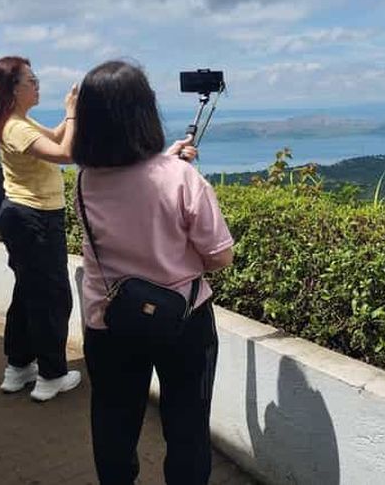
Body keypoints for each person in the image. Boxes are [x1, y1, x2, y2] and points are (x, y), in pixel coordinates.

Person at [72, 60, 234, 485]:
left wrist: (165, 161)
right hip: (182, 321)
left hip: (109, 322)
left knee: (113, 423)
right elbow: (220, 255)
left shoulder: (85, 180)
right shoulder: (181, 180)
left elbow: (131, 185)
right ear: (144, 113)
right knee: (187, 429)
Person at [0, 56, 82, 401]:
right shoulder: (16, 127)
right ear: (13, 88)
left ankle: (18, 366)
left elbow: (55, 137)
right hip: (36, 218)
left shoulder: (16, 121)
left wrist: (72, 114)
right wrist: (71, 111)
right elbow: (65, 153)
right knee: (51, 297)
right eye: (31, 80)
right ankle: (51, 375)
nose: (37, 84)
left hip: (23, 217)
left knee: (27, 293)